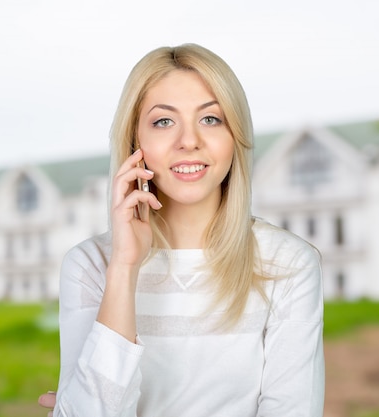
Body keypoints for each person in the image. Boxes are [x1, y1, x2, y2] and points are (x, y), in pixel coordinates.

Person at [38, 43, 325, 416]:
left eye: (211, 119)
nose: (189, 141)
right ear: (134, 142)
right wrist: (124, 269)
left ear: (235, 136)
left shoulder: (288, 264)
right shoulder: (91, 265)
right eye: (163, 121)